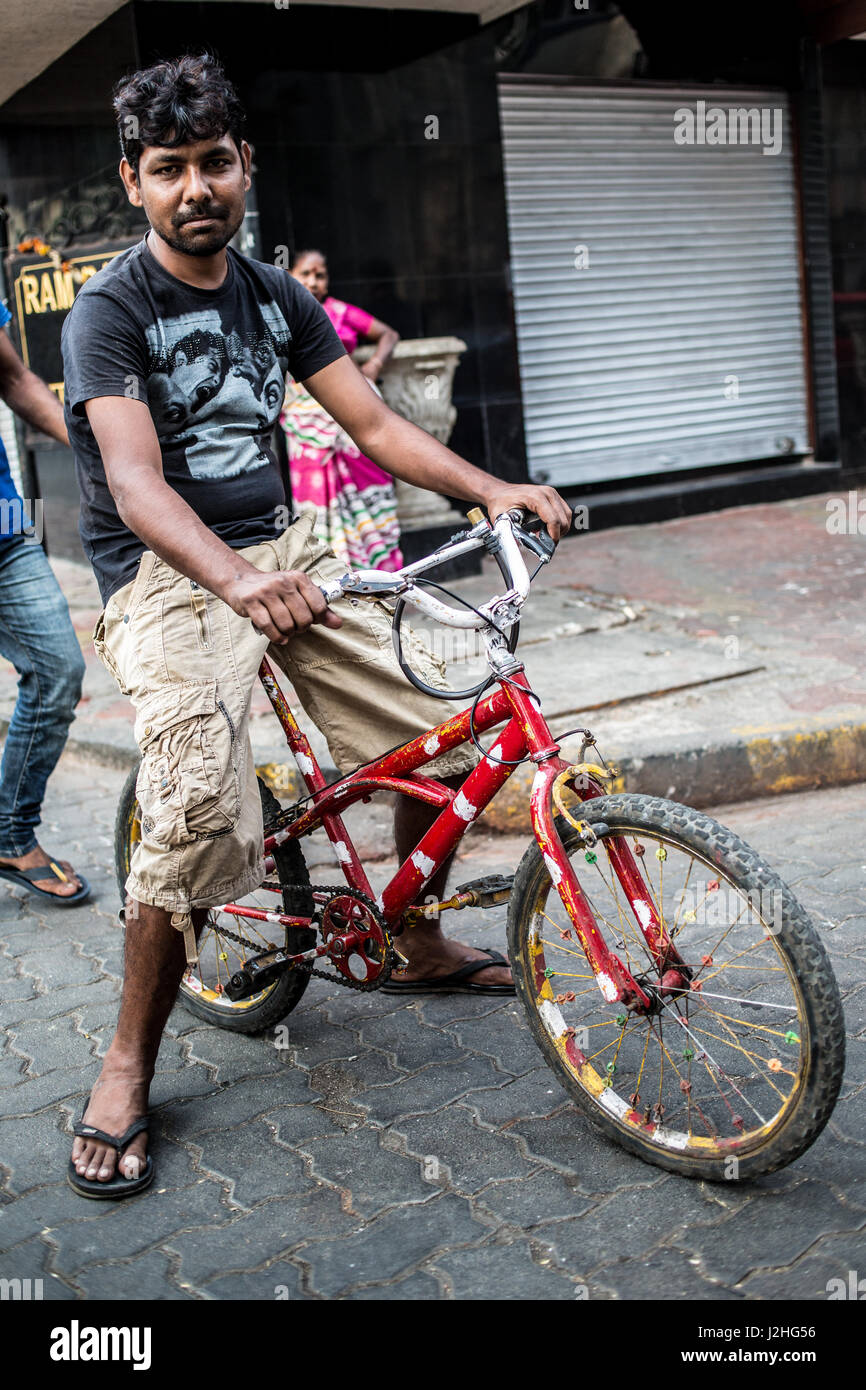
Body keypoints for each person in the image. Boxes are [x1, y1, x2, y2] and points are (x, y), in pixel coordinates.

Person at [61, 53, 572, 1198]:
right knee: (194, 804)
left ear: (245, 168)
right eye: (168, 169)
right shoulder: (108, 312)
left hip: (286, 555)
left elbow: (378, 426)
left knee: (437, 705)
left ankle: (413, 932)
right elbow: (137, 486)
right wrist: (232, 583)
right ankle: (128, 1057)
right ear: (134, 185)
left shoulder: (277, 296)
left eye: (214, 163)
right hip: (164, 576)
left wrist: (492, 488)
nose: (195, 186)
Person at [0, 303, 88, 904]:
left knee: (60, 670)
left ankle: (9, 833)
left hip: (4, 536)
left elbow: (11, 378)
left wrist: (99, 446)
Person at [281, 249, 402, 571]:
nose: (314, 282)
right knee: (315, 497)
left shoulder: (340, 311)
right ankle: (331, 571)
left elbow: (388, 334)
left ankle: (377, 569)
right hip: (306, 421)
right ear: (290, 275)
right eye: (305, 274)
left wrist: (374, 364)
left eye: (320, 275)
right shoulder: (282, 315)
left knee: (368, 479)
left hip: (351, 411)